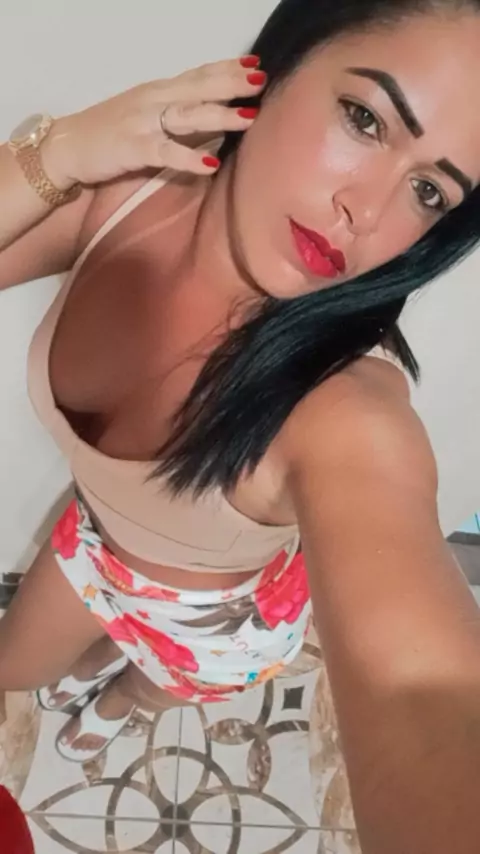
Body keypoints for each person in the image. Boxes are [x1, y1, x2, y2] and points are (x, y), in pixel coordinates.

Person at [0, 0, 480, 849]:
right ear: (278, 63)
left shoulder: (346, 409)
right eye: (366, 119)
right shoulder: (124, 196)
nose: (365, 212)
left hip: (221, 625)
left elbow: (425, 703)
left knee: (152, 683)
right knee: (14, 666)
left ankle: (121, 707)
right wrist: (60, 151)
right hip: (93, 542)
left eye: (427, 191)